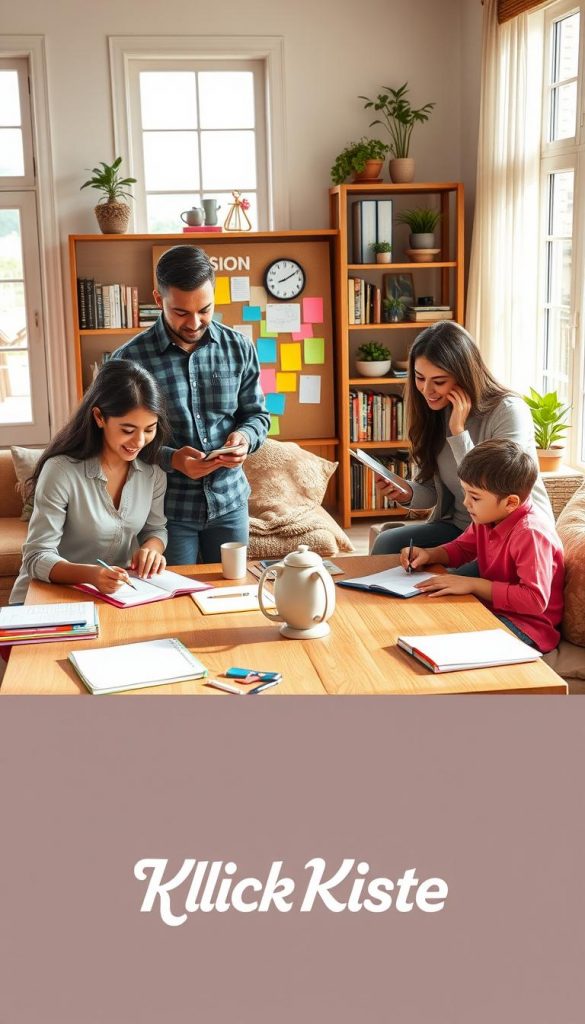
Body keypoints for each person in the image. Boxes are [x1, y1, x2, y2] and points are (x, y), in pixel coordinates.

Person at [110, 244, 270, 565]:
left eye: (205, 310)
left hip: (230, 503)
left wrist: (245, 439)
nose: (195, 323)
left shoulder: (239, 347)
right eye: (181, 312)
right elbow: (118, 440)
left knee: (230, 596)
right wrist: (173, 460)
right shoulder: (129, 360)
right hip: (166, 512)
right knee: (174, 601)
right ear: (159, 300)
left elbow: (257, 416)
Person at [371, 321, 553, 558]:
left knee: (454, 577)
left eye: (439, 381)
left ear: (464, 376)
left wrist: (458, 432)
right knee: (387, 542)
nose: (426, 390)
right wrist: (406, 492)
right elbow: (433, 490)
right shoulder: (436, 411)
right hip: (461, 529)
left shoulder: (508, 411)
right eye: (419, 378)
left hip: (508, 537)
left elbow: (496, 486)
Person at [10, 361, 170, 604]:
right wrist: (91, 575)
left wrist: (152, 549)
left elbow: (156, 530)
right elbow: (36, 557)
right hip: (45, 598)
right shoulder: (61, 471)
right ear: (99, 417)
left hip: (111, 597)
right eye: (128, 430)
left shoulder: (153, 474)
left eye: (149, 429)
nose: (139, 441)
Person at [400, 439, 564, 653]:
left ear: (511, 503)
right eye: (465, 492)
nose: (466, 502)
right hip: (494, 608)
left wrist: (473, 584)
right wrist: (429, 555)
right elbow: (462, 549)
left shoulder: (531, 533)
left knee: (450, 645)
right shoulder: (488, 517)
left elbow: (534, 600)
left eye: (474, 497)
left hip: (529, 626)